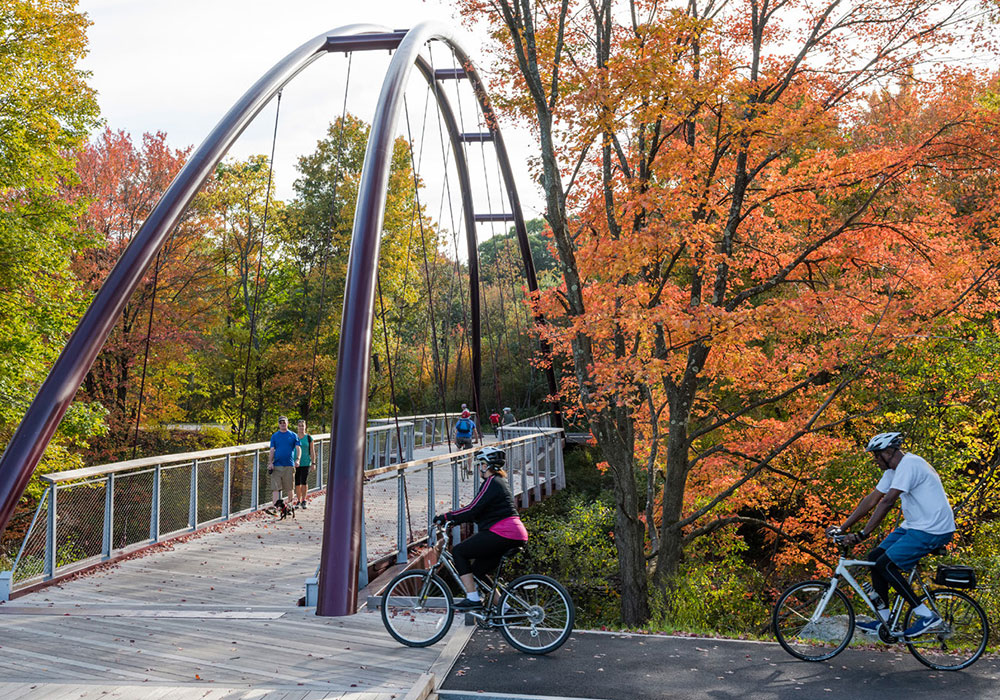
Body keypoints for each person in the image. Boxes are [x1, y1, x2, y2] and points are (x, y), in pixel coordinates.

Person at [827, 432, 955, 637]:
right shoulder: (892, 471)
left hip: (934, 529)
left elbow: (887, 502)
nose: (875, 460)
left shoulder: (910, 464)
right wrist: (842, 528)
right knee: (874, 557)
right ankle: (885, 621)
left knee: (885, 564)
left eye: (876, 455)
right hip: (914, 526)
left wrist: (862, 535)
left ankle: (926, 615)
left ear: (889, 452)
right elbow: (871, 501)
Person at [433, 446, 528, 609]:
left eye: (480, 464)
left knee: (459, 551)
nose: (479, 468)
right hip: (513, 534)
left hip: (503, 533)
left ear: (486, 465)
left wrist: (446, 517)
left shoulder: (492, 482)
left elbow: (472, 508)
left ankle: (472, 598)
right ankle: (504, 609)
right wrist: (456, 521)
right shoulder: (500, 482)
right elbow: (481, 511)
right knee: (477, 572)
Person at [268, 416, 299, 517]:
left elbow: (298, 448)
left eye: (284, 422)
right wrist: (270, 462)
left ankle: (289, 506)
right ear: (278, 424)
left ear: (287, 423)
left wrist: (297, 459)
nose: (282, 424)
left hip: (289, 465)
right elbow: (272, 450)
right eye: (280, 422)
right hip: (277, 465)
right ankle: (276, 509)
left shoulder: (293, 435)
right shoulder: (275, 436)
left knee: (290, 488)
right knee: (275, 488)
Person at [293, 419, 316, 509]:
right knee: (297, 482)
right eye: (299, 426)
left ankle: (304, 500)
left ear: (305, 427)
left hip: (306, 462)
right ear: (297, 427)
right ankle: (298, 500)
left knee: (304, 481)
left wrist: (313, 463)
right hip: (296, 463)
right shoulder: (294, 437)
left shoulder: (309, 438)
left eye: (303, 426)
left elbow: (312, 451)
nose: (301, 427)